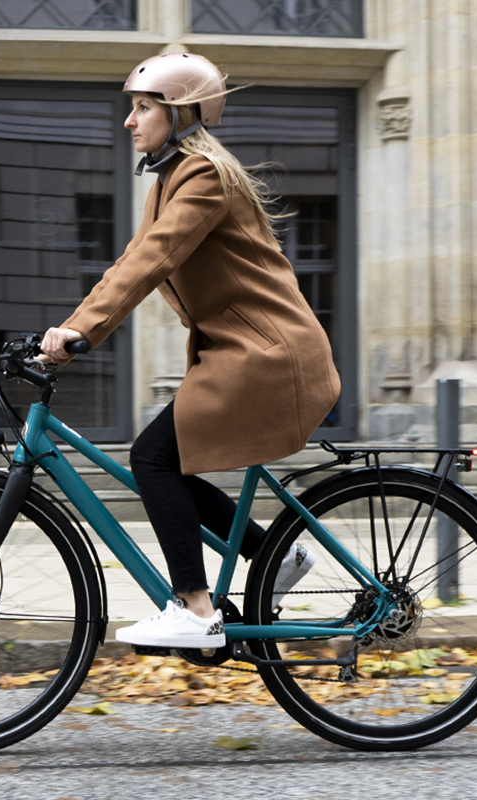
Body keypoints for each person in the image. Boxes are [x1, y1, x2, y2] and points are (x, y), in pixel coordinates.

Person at [41, 53, 340, 649]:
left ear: (181, 115)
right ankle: (273, 557)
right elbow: (129, 263)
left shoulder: (203, 177)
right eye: (133, 107)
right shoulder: (168, 184)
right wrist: (69, 325)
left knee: (152, 458)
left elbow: (153, 262)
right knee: (164, 460)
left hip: (267, 358)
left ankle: (197, 610)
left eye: (143, 107)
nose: (130, 120)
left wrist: (81, 333)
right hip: (242, 354)